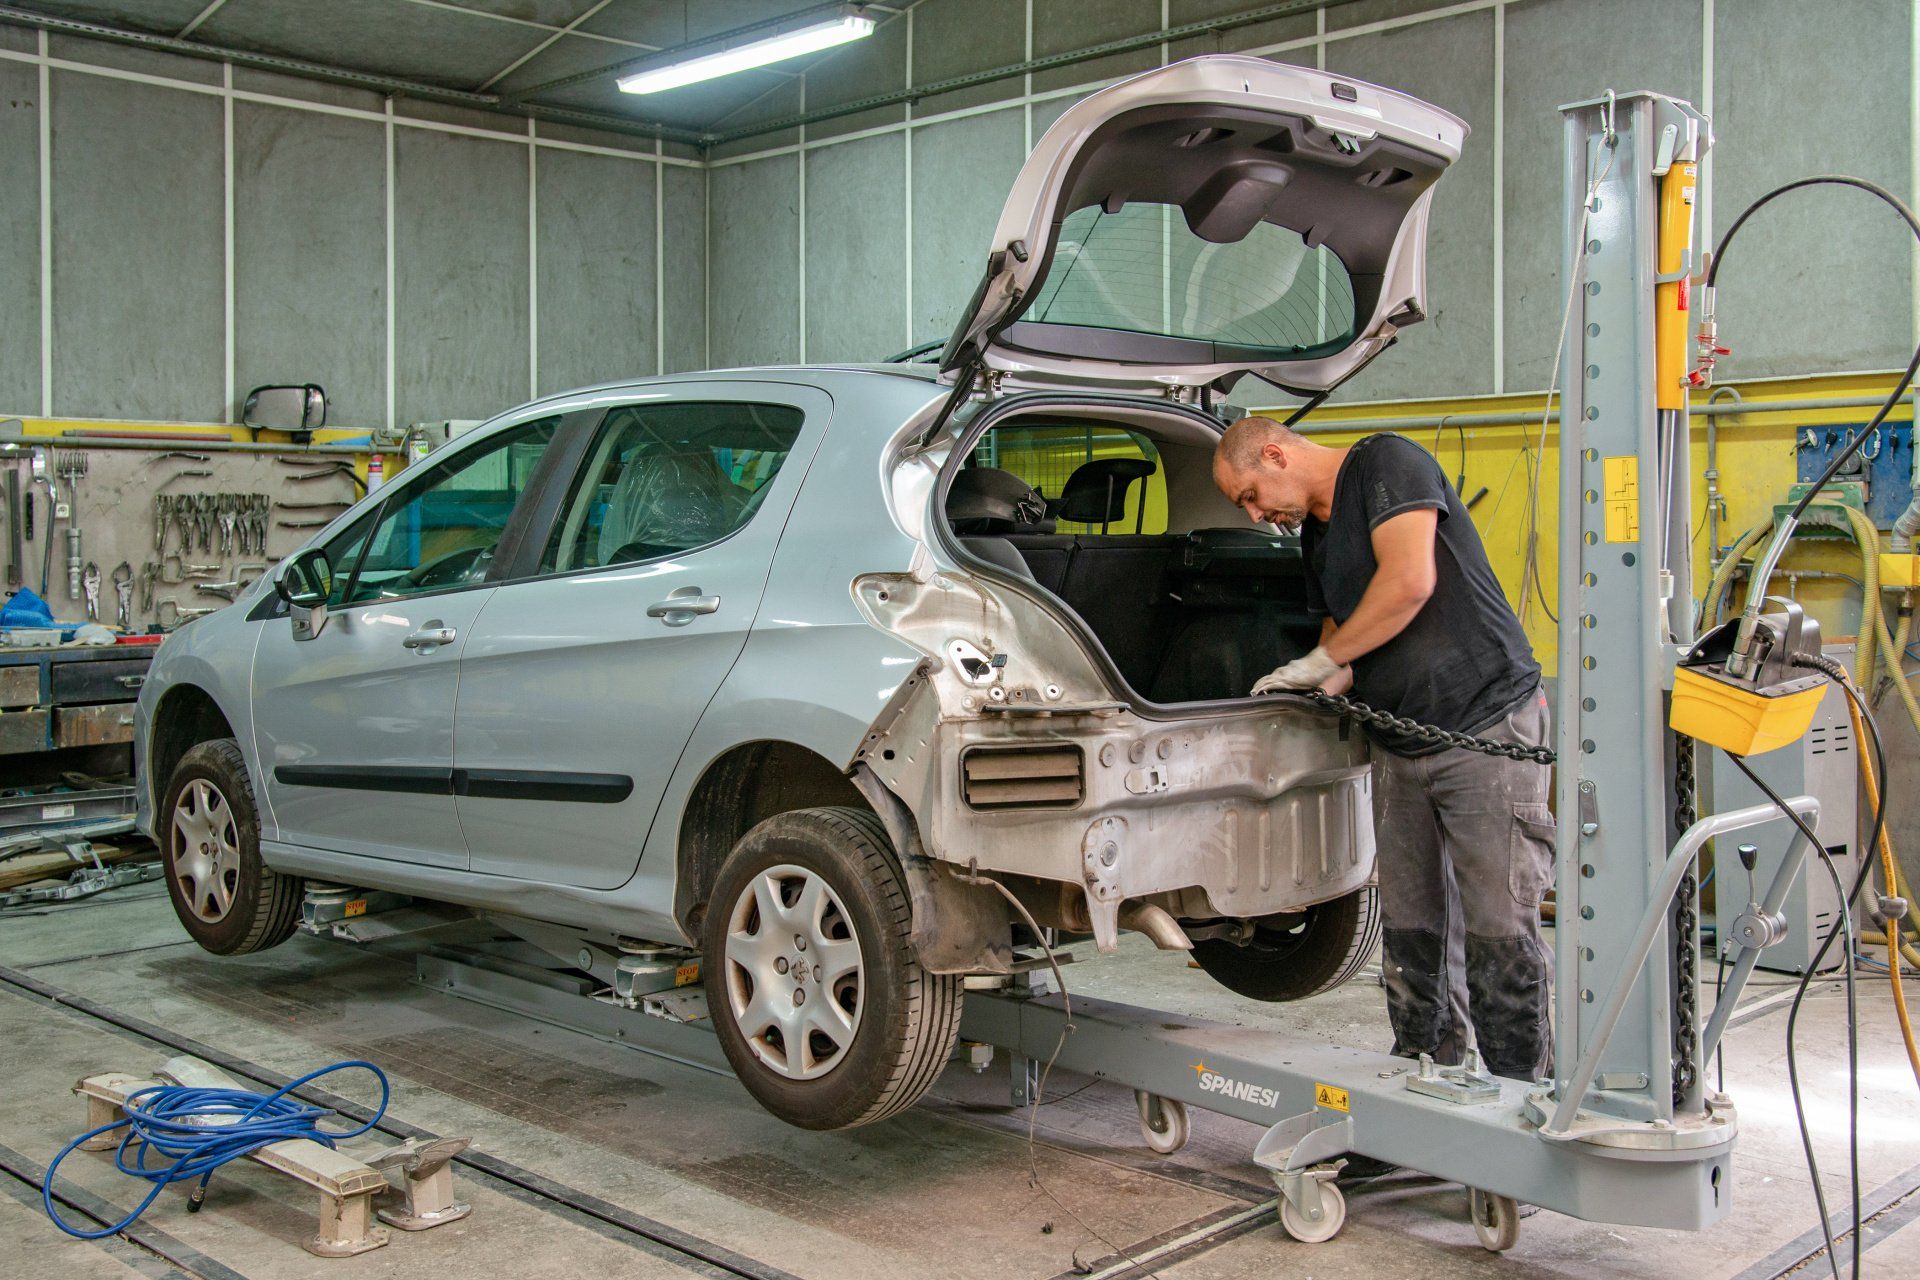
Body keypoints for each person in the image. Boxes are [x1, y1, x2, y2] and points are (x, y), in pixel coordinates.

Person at [1212, 416, 1555, 1083]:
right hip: (1399, 742)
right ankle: (1425, 1081)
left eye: (1250, 495)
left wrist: (1321, 661)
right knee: (1412, 929)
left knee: (1499, 927)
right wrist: (1313, 683)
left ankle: (1523, 1096)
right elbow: (1340, 628)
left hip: (1481, 727)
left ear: (1275, 455)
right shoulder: (1315, 536)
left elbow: (1407, 582)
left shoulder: (1387, 465)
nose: (1254, 514)